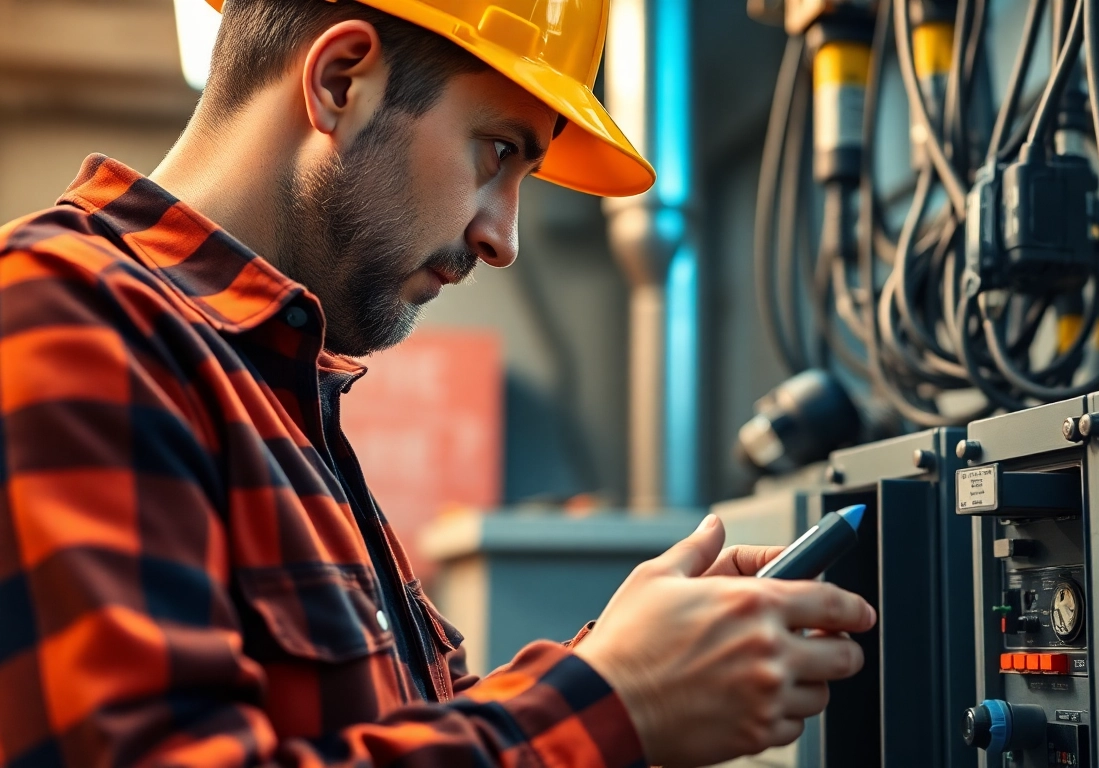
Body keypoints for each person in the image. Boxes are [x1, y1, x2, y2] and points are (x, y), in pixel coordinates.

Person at [0, 0, 876, 766]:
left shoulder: (276, 387)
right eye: (496, 150)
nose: (504, 238)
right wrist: (616, 702)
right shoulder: (61, 313)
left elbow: (385, 735)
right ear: (342, 81)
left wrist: (616, 661)